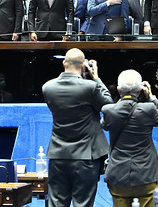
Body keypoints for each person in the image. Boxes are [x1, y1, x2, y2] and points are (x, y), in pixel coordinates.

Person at [42, 48, 113, 207]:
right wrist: (96, 78)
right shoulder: (90, 87)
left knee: (56, 203)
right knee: (83, 203)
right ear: (83, 65)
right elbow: (108, 105)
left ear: (63, 63)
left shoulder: (47, 87)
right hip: (85, 156)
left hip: (58, 154)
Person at [101, 70, 158, 207]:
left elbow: (104, 125)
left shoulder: (109, 110)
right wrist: (152, 97)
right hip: (146, 176)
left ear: (118, 90)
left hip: (118, 176)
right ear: (140, 90)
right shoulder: (149, 109)